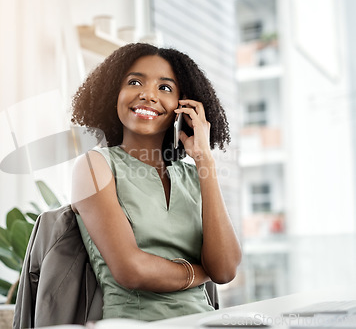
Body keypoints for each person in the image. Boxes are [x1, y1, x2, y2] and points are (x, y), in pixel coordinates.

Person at [69, 43, 241, 322]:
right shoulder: (94, 166)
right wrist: (199, 272)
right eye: (134, 82)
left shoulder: (192, 174)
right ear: (114, 93)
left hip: (203, 322)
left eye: (165, 88)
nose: (148, 95)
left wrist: (205, 161)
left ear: (182, 106)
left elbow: (225, 269)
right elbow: (131, 270)